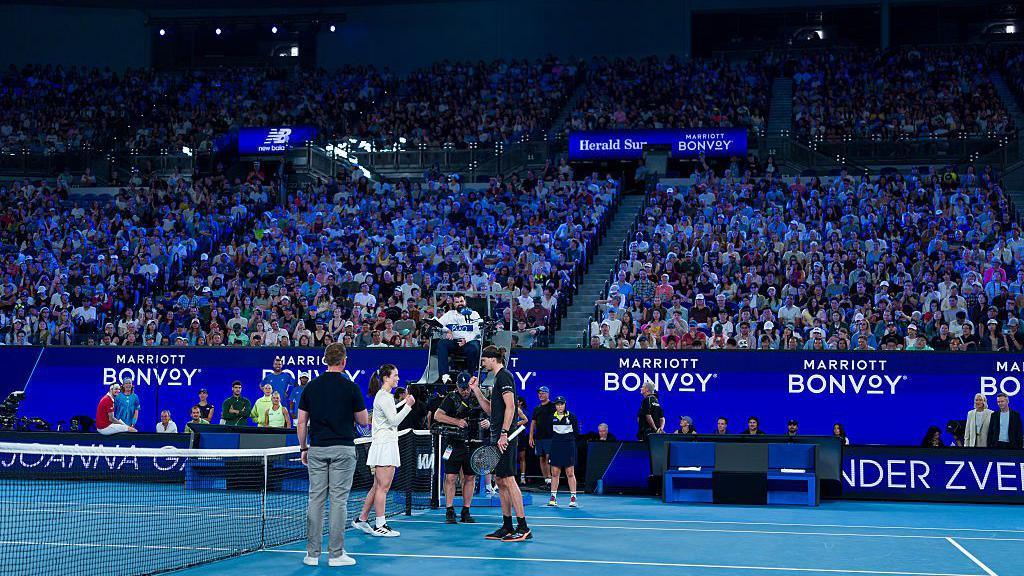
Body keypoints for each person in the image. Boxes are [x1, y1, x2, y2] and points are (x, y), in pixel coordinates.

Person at [297, 343, 369, 567]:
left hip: (317, 449)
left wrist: (303, 448)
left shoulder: (311, 387)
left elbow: (301, 422)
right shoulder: (351, 387)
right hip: (343, 450)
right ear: (344, 361)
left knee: (315, 500)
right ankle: (336, 555)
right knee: (338, 501)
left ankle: (312, 555)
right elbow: (363, 421)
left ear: (325, 360)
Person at [470, 346, 531, 542]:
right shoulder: (497, 379)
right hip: (497, 437)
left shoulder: (504, 376)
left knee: (509, 480)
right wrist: (476, 390)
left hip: (506, 437)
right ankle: (507, 525)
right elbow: (491, 410)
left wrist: (504, 433)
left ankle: (523, 527)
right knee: (501, 480)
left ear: (493, 359)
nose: (482, 363)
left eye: (484, 360)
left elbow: (512, 407)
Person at [352, 364, 414, 538]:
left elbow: (391, 412)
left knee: (377, 486)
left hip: (385, 444)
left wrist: (404, 401)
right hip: (385, 445)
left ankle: (362, 519)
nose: (398, 378)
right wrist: (408, 405)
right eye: (395, 375)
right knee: (383, 488)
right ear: (386, 378)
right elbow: (394, 421)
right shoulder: (384, 397)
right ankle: (380, 524)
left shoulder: (384, 396)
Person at [432, 373, 484, 524]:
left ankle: (466, 510)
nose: (465, 391)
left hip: (473, 442)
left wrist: (487, 421)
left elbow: (489, 411)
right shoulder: (450, 398)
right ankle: (449, 510)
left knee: (470, 477)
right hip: (453, 443)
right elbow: (437, 415)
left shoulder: (478, 397)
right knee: (450, 477)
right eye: (462, 389)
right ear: (457, 387)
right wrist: (456, 421)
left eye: (467, 388)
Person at [435, 293, 482, 378]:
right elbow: (437, 324)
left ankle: (470, 376)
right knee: (442, 343)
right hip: (455, 342)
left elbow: (477, 331)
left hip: (470, 342)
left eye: (461, 301)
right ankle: (444, 376)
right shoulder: (450, 314)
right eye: (457, 302)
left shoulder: (474, 314)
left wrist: (466, 340)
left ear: (465, 302)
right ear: (453, 303)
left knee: (473, 348)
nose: (460, 304)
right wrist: (447, 330)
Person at [546, 396, 580, 508]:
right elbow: (549, 432)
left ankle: (573, 497)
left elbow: (576, 433)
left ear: (565, 405)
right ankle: (553, 497)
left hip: (568, 446)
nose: (559, 406)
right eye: (557, 404)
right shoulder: (551, 418)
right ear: (555, 406)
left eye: (561, 404)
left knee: (570, 472)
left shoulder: (572, 417)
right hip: (556, 446)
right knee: (555, 473)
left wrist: (567, 440)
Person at [529, 386, 555, 486]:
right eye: (539, 393)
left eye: (543, 393)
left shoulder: (553, 406)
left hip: (550, 437)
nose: (540, 395)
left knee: (549, 458)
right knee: (541, 458)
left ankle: (551, 479)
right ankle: (546, 480)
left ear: (548, 394)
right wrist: (531, 437)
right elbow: (533, 423)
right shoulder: (537, 408)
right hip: (539, 438)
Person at [516, 397, 530, 484]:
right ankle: (510, 477)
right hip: (511, 436)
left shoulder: (525, 412)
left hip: (521, 436)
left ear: (520, 402)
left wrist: (515, 424)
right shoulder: (509, 409)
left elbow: (526, 421)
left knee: (522, 457)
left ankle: (522, 477)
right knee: (511, 457)